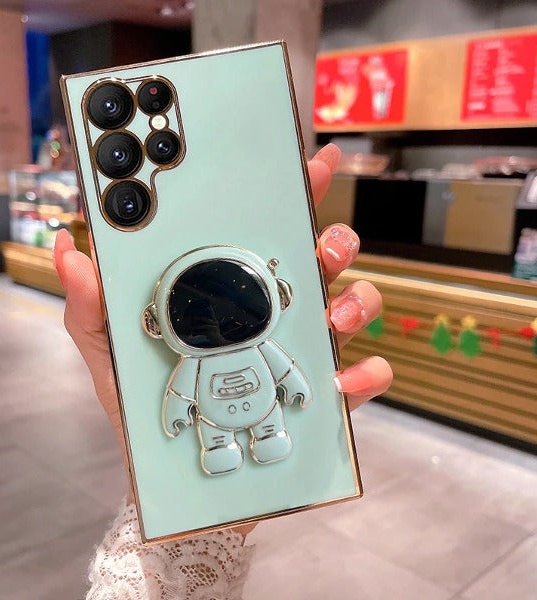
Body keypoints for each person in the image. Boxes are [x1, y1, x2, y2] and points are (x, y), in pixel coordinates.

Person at [53, 144, 393, 599]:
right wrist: (176, 444)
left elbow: (276, 371)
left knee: (260, 427)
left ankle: (260, 438)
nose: (220, 320)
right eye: (200, 311)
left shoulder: (224, 353)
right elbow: (192, 389)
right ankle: (235, 443)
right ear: (156, 323)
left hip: (250, 409)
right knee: (229, 434)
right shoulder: (210, 356)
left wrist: (295, 388)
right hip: (227, 415)